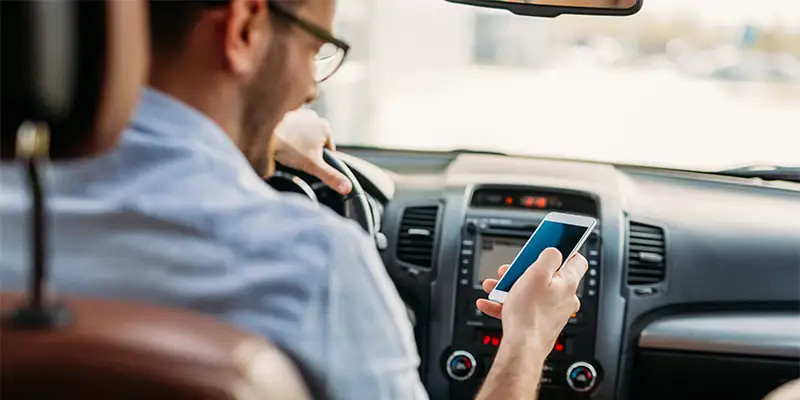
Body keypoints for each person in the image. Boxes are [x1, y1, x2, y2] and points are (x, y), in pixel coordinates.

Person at [0, 0, 587, 398]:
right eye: (316, 50)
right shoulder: (311, 263)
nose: (310, 89)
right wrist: (528, 336)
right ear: (244, 30)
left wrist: (258, 128)